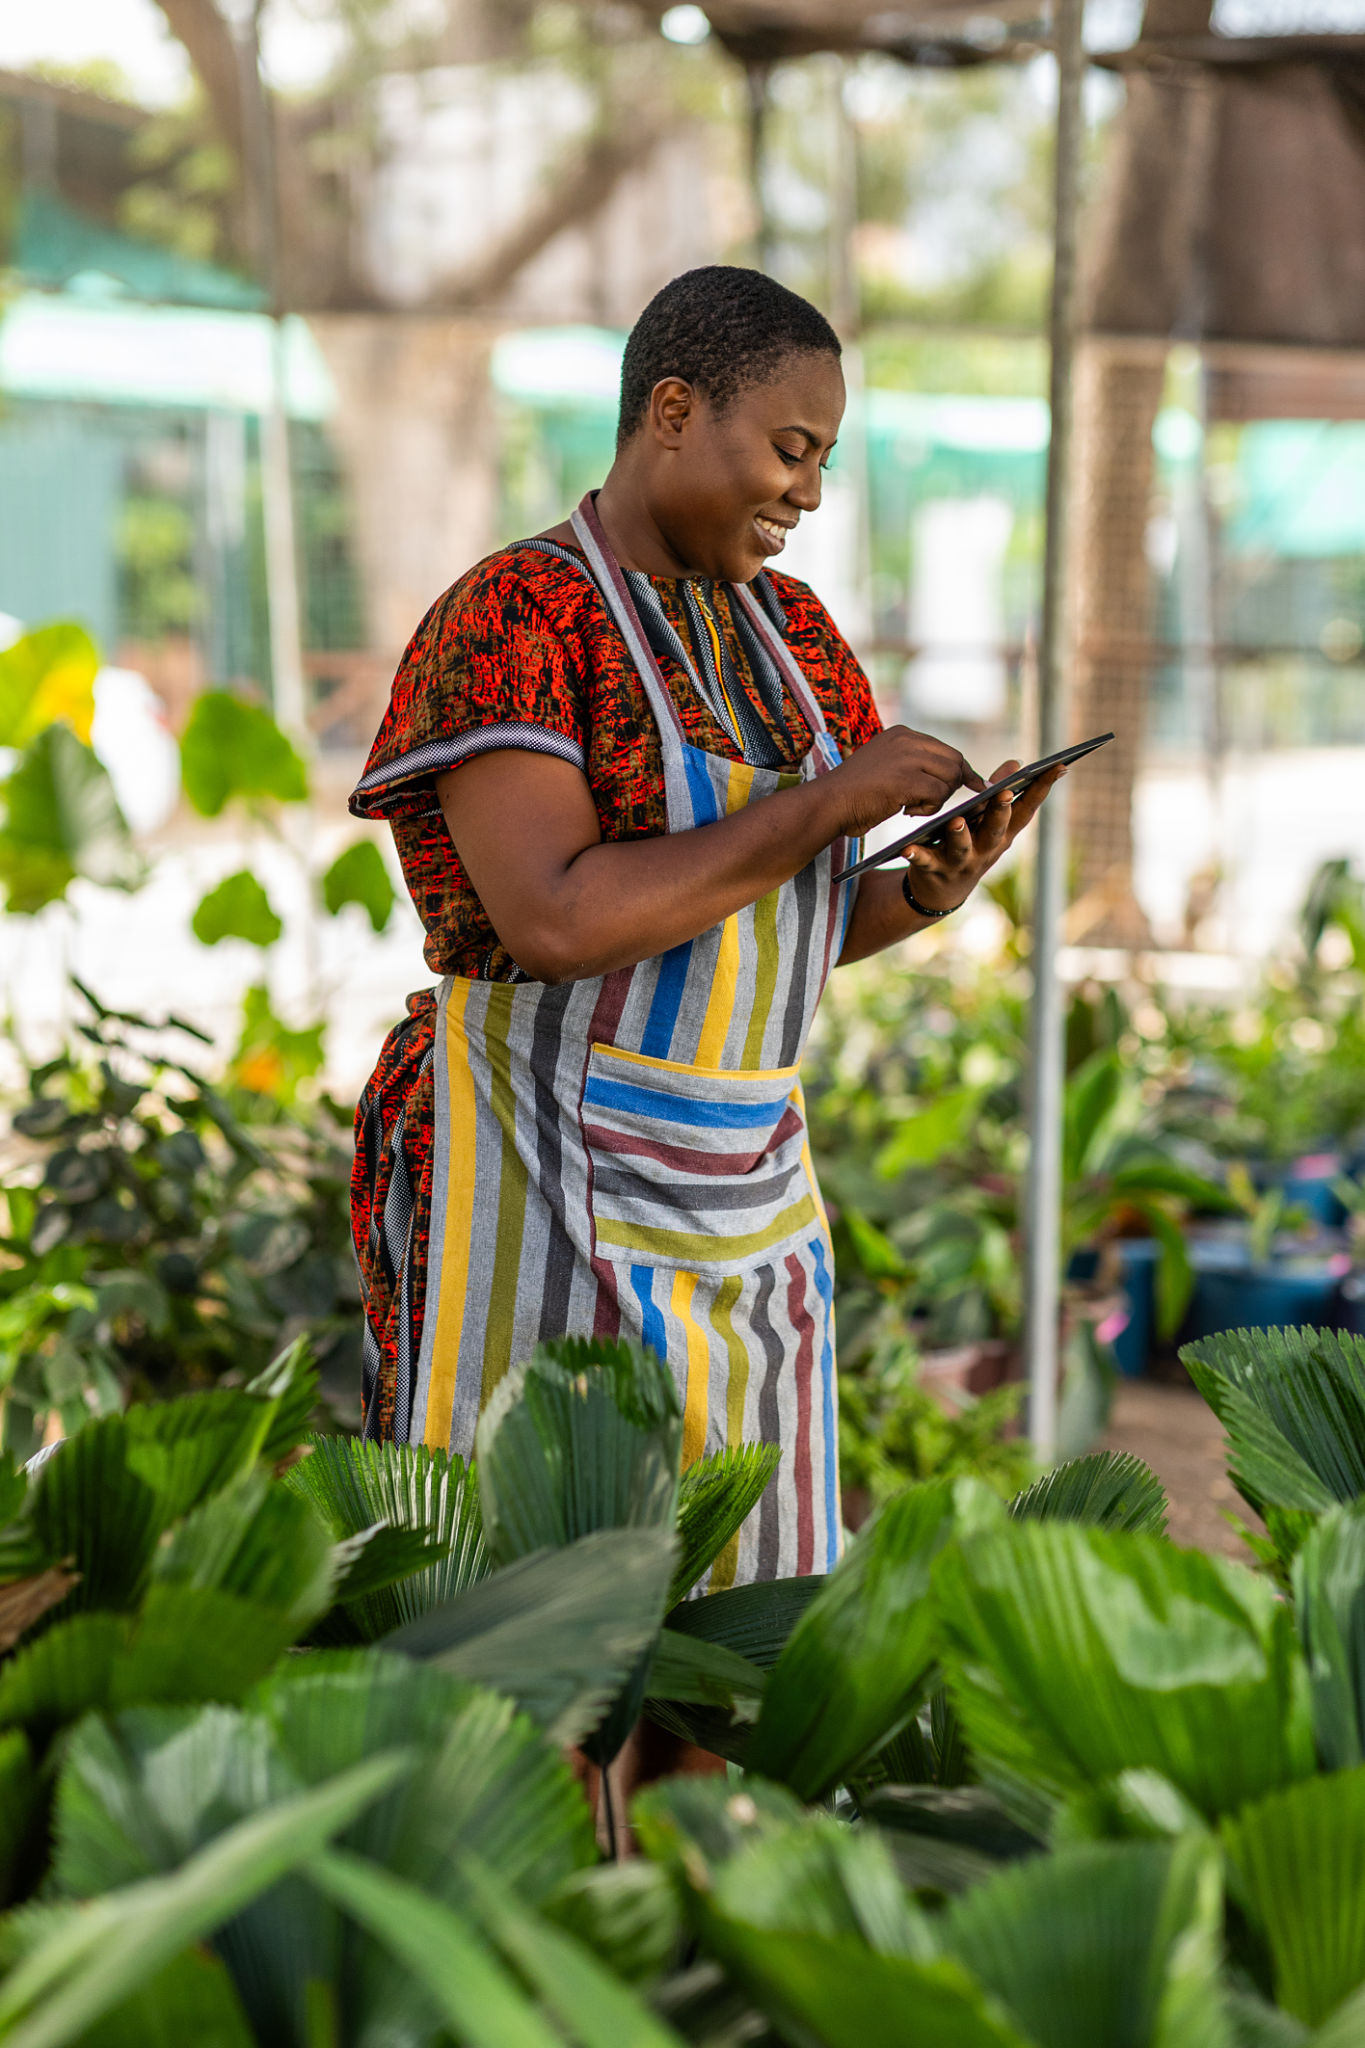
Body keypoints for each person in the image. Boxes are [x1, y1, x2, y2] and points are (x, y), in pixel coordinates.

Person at [349, 264, 1061, 1585]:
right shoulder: (513, 617)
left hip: (743, 1187)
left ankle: (697, 1806)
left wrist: (919, 887)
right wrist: (832, 799)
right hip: (533, 1160)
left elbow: (775, 920)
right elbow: (556, 920)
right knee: (537, 1589)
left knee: (751, 1580)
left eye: (822, 461)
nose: (805, 490)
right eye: (789, 449)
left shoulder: (790, 635)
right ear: (671, 410)